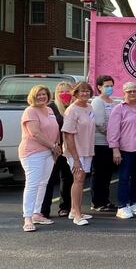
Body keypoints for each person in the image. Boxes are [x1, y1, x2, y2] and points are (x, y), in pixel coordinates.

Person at [20, 85, 60, 231]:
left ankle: (37, 213)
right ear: (33, 96)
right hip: (33, 152)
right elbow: (35, 133)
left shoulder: (49, 110)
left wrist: (56, 146)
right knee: (32, 184)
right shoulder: (30, 111)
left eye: (44, 94)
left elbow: (55, 129)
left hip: (48, 152)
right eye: (39, 95)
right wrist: (53, 146)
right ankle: (27, 218)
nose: (42, 97)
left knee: (43, 183)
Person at [107, 82, 136, 219]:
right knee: (124, 177)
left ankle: (132, 202)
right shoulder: (118, 109)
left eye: (134, 91)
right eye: (129, 91)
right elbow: (113, 131)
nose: (132, 93)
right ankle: (122, 205)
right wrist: (115, 150)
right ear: (124, 93)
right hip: (126, 149)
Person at [62, 82, 96, 226]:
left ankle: (75, 210)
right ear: (75, 93)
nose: (85, 93)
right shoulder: (72, 110)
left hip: (87, 149)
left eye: (87, 91)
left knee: (81, 180)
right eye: (82, 91)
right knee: (78, 179)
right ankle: (76, 214)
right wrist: (75, 158)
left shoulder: (89, 107)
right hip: (76, 151)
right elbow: (68, 135)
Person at [41, 81, 73, 219]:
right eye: (61, 92)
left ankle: (65, 207)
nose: (64, 94)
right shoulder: (51, 108)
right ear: (56, 94)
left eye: (67, 91)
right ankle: (44, 210)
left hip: (70, 150)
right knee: (49, 179)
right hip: (54, 149)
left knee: (68, 179)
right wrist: (53, 146)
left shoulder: (74, 107)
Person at [90, 75, 118, 212]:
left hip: (110, 143)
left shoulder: (112, 102)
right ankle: (97, 202)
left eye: (111, 85)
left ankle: (105, 200)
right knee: (99, 173)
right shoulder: (97, 101)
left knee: (107, 173)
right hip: (99, 142)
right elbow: (100, 123)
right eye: (106, 86)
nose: (109, 88)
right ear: (99, 87)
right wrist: (113, 136)